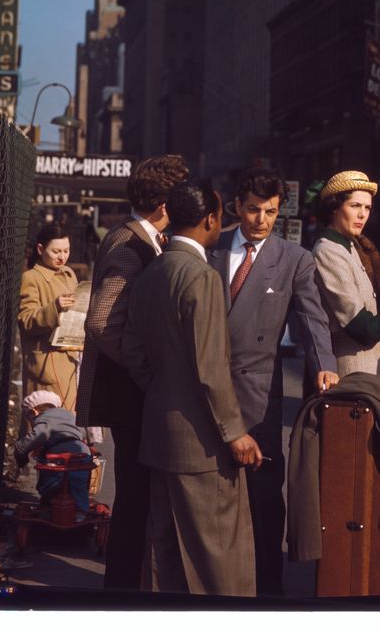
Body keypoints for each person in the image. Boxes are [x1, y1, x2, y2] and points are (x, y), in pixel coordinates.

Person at [122, 177, 262, 597]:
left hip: (160, 432)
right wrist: (234, 433)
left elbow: (133, 351)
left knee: (163, 560)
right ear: (210, 219)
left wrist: (167, 386)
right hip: (202, 444)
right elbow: (211, 367)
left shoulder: (152, 272)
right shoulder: (201, 276)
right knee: (220, 562)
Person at [208, 167, 338, 595]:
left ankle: (268, 587)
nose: (261, 220)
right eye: (252, 210)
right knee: (211, 490)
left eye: (270, 211)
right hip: (205, 386)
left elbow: (312, 317)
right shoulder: (211, 248)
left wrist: (323, 362)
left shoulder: (294, 258)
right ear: (235, 207)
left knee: (263, 494)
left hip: (259, 391)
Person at [75, 153, 190, 590]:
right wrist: (146, 370)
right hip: (129, 396)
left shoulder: (142, 238)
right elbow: (102, 321)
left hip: (132, 394)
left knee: (138, 498)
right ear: (163, 204)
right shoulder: (130, 245)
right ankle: (121, 593)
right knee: (134, 500)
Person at [311, 171, 380, 385]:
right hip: (353, 370)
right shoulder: (328, 251)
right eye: (355, 206)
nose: (362, 214)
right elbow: (364, 329)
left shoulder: (352, 246)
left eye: (367, 208)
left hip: (374, 368)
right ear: (334, 207)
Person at [17, 230, 80, 411]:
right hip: (46, 361)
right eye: (56, 251)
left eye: (66, 251)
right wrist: (54, 308)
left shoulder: (68, 273)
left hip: (70, 357)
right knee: (45, 422)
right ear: (40, 249)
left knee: (68, 421)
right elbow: (26, 320)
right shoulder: (31, 278)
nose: (62, 257)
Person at [15, 389, 92, 513]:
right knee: (78, 485)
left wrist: (20, 452)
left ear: (34, 412)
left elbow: (38, 436)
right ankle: (81, 511)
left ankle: (48, 508)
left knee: (49, 483)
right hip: (82, 453)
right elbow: (81, 432)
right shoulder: (69, 415)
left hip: (58, 456)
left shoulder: (44, 419)